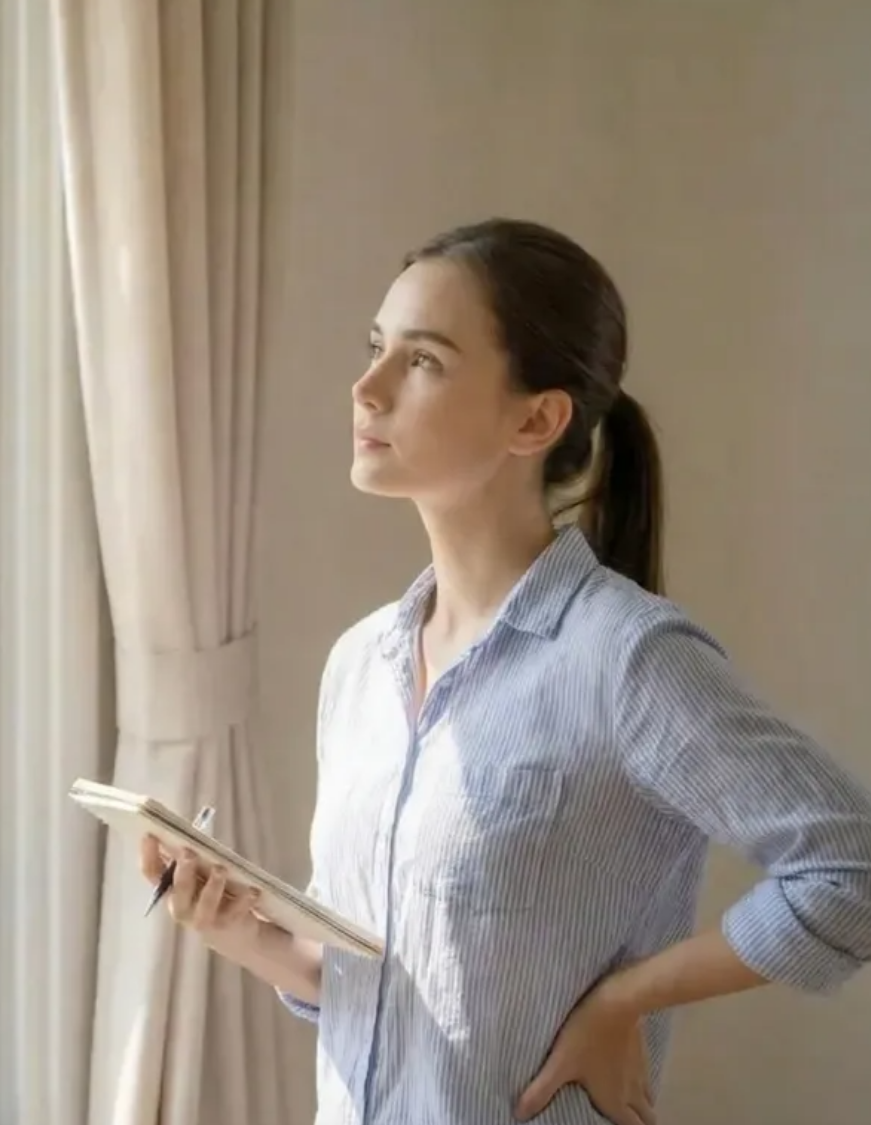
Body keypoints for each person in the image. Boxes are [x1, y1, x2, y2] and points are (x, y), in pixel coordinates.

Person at [140, 218, 871, 1125]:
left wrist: (624, 1000)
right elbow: (383, 989)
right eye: (375, 347)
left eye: (423, 360)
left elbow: (851, 866)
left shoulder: (625, 656)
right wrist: (236, 929)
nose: (367, 388)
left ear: (537, 419)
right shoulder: (361, 665)